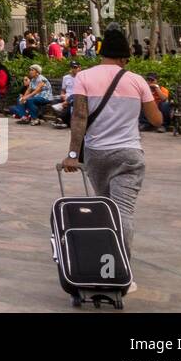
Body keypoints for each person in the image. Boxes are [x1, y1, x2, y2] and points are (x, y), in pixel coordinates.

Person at [63, 24, 161, 259]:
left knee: (104, 207)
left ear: (102, 53)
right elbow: (156, 120)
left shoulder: (83, 77)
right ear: (125, 58)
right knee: (123, 210)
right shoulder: (137, 81)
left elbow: (79, 117)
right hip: (129, 153)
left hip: (97, 154)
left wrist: (73, 155)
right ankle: (121, 268)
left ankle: (104, 261)